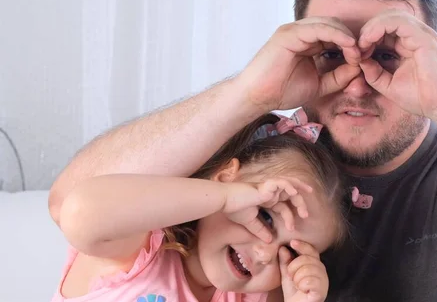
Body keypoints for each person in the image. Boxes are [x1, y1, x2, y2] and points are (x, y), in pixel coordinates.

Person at [49, 0, 437, 301]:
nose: (358, 85)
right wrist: (250, 93)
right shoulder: (259, 162)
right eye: (331, 54)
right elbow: (71, 204)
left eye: (389, 55)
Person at [50, 111, 352, 302]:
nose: (265, 253)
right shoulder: (144, 248)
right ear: (224, 180)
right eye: (266, 217)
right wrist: (224, 197)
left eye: (293, 252)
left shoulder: (254, 296)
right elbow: (78, 213)